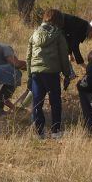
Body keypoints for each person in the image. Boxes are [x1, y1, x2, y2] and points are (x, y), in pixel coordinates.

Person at [27, 9, 72, 139]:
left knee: (37, 103)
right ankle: (56, 131)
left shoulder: (34, 34)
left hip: (36, 73)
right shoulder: (58, 35)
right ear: (58, 20)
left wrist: (30, 75)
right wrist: (67, 74)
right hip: (52, 72)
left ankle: (39, 132)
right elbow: (64, 56)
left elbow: (29, 56)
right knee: (55, 102)